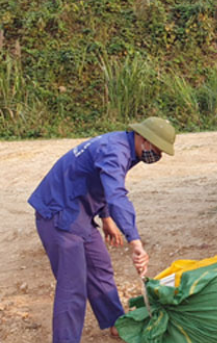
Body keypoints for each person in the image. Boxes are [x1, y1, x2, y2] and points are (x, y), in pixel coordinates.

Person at [29, 117, 176, 342]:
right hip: (59, 213)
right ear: (144, 139)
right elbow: (117, 194)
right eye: (157, 149)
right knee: (72, 285)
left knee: (100, 266)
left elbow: (105, 183)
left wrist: (106, 218)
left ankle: (117, 323)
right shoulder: (114, 151)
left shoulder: (125, 147)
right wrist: (134, 240)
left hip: (79, 212)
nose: (157, 156)